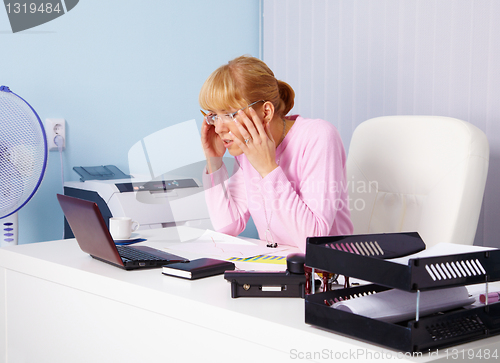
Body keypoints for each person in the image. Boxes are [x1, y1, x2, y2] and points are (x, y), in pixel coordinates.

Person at [199, 55, 353, 252]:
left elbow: (313, 241)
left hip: (329, 276)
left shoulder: (319, 137)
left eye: (228, 115)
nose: (219, 128)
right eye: (213, 115)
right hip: (278, 270)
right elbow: (227, 227)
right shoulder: (246, 149)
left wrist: (268, 168)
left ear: (266, 112)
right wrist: (214, 162)